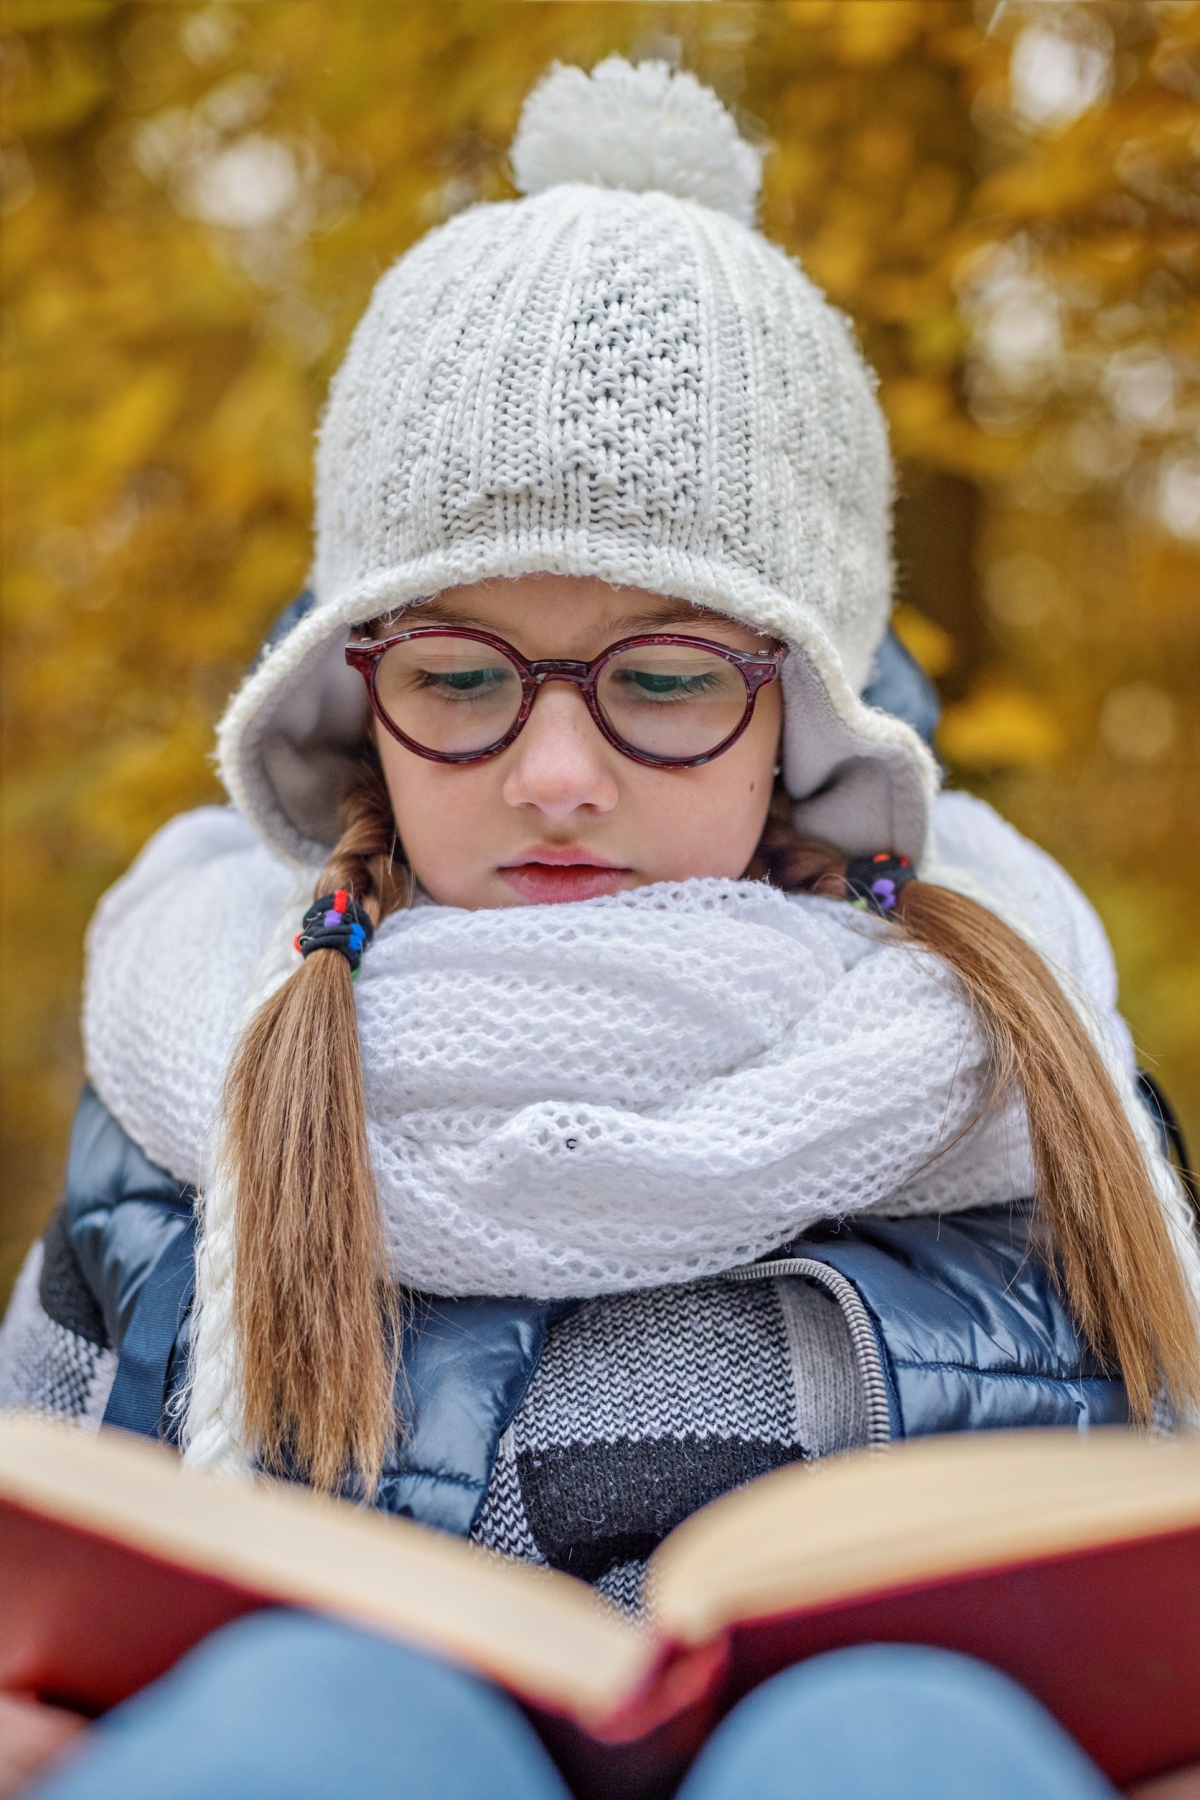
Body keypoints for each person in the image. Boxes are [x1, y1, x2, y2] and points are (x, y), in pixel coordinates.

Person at [4, 56, 1199, 1798]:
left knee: (899, 1750)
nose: (556, 774)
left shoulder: (1024, 1068)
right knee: (318, 1733)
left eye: (659, 679)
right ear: (358, 697)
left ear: (801, 718)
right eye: (462, 676)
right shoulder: (205, 1048)